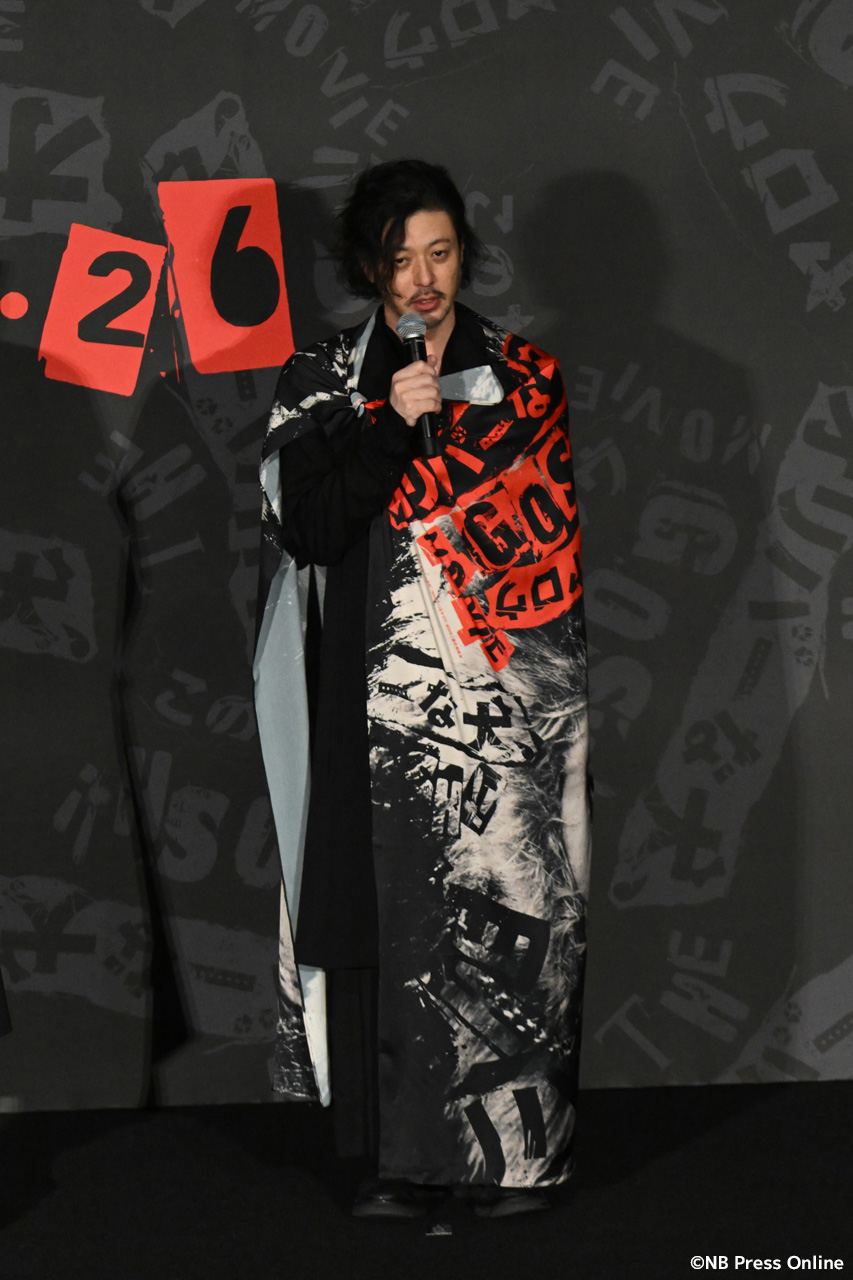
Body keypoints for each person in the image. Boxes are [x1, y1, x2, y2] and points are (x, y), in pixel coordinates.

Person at [254, 159, 590, 1218]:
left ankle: (516, 1163)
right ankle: (397, 1164)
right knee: (383, 927)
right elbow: (307, 528)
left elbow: (550, 560)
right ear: (369, 268)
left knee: (509, 917)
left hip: (499, 705)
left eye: (440, 254)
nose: (423, 280)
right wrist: (384, 425)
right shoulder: (320, 379)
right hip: (371, 704)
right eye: (400, 260)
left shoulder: (524, 377)